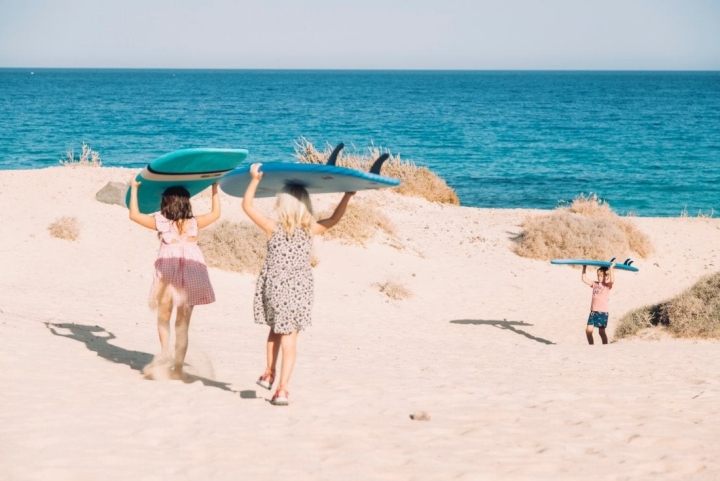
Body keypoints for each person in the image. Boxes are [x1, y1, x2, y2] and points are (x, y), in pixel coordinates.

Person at [242, 163, 354, 406]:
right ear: (306, 205)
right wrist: (347, 195)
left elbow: (247, 206)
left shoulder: (272, 227)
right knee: (290, 339)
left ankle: (268, 373)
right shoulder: (310, 230)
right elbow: (335, 218)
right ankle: (282, 389)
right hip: (300, 288)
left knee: (275, 330)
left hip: (274, 287)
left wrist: (254, 180)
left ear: (281, 204)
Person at [128, 178, 220, 379]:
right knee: (182, 325)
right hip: (193, 278)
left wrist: (134, 189)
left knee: (163, 317)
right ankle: (178, 368)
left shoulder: (161, 223)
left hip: (168, 278)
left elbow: (134, 215)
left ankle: (165, 354)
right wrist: (214, 189)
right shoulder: (194, 223)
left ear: (166, 203)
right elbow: (216, 214)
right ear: (186, 203)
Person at [581, 263, 615, 345]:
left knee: (601, 332)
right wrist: (584, 267)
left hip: (602, 312)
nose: (599, 277)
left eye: (601, 276)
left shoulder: (607, 286)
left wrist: (611, 268)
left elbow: (612, 281)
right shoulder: (594, 284)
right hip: (593, 312)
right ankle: (591, 347)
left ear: (606, 277)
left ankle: (605, 346)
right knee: (588, 331)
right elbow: (584, 279)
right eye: (598, 276)